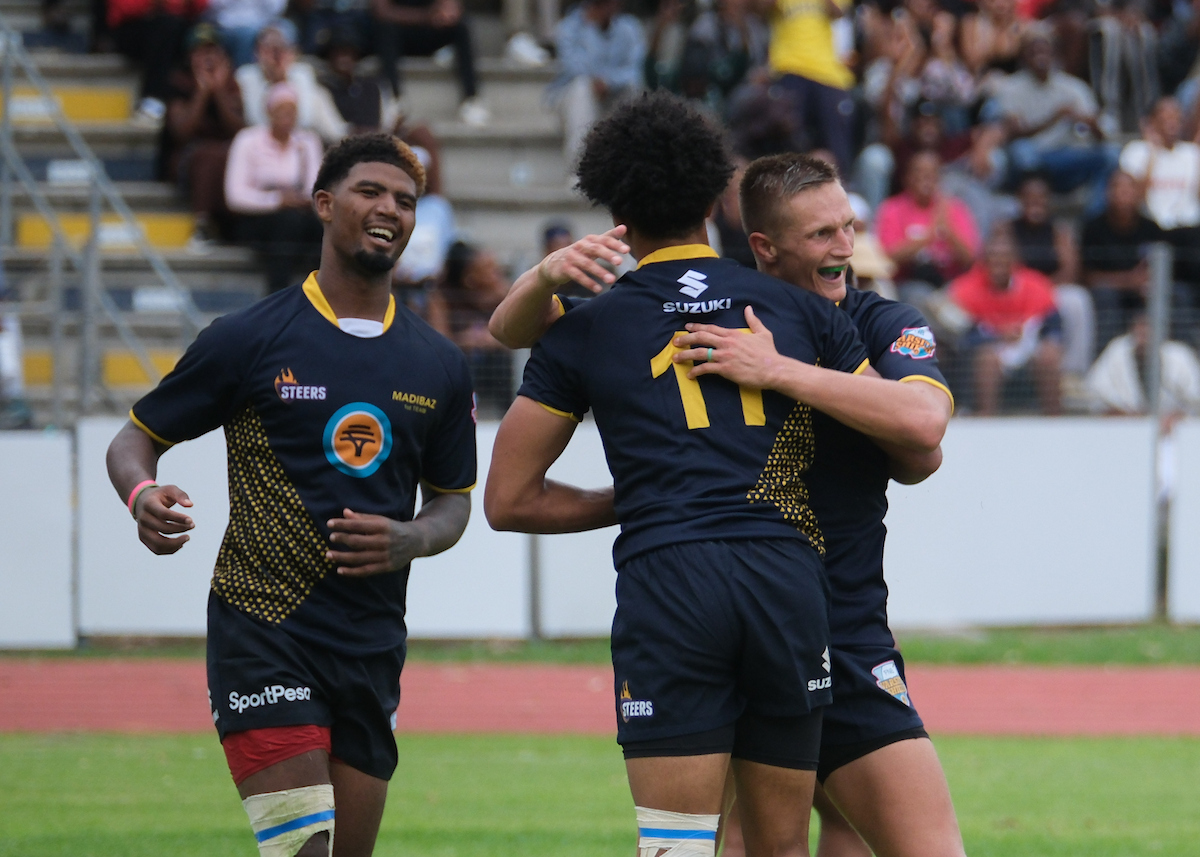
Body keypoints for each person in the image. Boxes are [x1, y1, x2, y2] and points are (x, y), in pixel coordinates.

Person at [484, 93, 951, 857]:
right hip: (788, 581)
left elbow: (507, 499)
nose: (841, 245)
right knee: (779, 844)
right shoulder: (804, 314)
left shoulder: (587, 324)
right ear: (717, 204)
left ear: (617, 215)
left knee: (681, 844)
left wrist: (638, 499)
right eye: (825, 230)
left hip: (670, 579)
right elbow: (918, 447)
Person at [105, 132, 476, 857]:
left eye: (405, 200)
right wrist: (141, 493)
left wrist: (411, 538)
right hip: (263, 628)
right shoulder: (248, 338)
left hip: (371, 644)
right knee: (305, 850)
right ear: (324, 203)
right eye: (371, 191)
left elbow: (453, 503)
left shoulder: (439, 362)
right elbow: (133, 439)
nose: (390, 209)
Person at [992, 26, 1118, 215]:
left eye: (1045, 51)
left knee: (1111, 154)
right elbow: (1013, 133)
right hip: (1035, 156)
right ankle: (1033, 211)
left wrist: (1091, 124)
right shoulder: (1011, 87)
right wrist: (1054, 118)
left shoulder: (1074, 87)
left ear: (1054, 55)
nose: (1040, 56)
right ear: (1024, 57)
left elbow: (1102, 135)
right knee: (1022, 152)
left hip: (1068, 156)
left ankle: (1094, 215)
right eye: (1033, 52)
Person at [949, 222, 1064, 414]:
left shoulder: (1035, 284)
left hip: (1028, 343)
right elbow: (963, 335)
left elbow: (1054, 323)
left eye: (1004, 260)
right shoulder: (966, 288)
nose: (998, 266)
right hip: (991, 348)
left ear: (1014, 261)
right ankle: (987, 420)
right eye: (993, 260)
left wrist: (1048, 342)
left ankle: (1055, 419)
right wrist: (999, 335)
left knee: (1049, 355)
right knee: (987, 361)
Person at [225, 83, 326, 294]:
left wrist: (299, 200)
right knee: (287, 223)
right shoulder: (248, 140)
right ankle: (277, 291)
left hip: (298, 212)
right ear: (269, 112)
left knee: (322, 229)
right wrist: (276, 201)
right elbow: (235, 196)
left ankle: (323, 293)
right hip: (257, 215)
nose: (288, 116)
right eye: (282, 111)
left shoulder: (307, 142)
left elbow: (315, 187)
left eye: (292, 111)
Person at [161, 23, 245, 249]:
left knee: (228, 155)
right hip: (186, 158)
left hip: (226, 155)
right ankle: (202, 224)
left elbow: (239, 130)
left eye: (214, 51)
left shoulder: (232, 85)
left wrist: (218, 92)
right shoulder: (178, 83)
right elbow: (182, 132)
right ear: (189, 56)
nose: (208, 58)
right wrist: (202, 92)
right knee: (209, 155)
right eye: (201, 52)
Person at [753, 0, 855, 173]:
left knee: (836, 149)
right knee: (786, 145)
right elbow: (760, 7)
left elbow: (838, 11)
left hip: (827, 73)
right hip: (788, 67)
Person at [875, 149, 980, 302]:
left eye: (931, 173)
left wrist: (949, 232)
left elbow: (969, 259)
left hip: (948, 283)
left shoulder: (955, 208)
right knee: (919, 295)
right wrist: (928, 236)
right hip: (907, 284)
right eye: (919, 172)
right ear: (907, 177)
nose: (925, 178)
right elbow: (888, 257)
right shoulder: (892, 208)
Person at [547, 0, 645, 163]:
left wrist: (608, 82)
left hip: (611, 96)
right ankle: (579, 169)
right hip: (570, 100)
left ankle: (634, 164)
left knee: (633, 89)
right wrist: (591, 28)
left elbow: (634, 71)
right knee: (582, 87)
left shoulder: (630, 28)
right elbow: (574, 67)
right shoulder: (569, 27)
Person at [1119, 97, 1200, 288]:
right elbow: (1136, 197)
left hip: (1190, 230)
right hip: (1152, 229)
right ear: (1151, 121)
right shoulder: (1136, 152)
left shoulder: (1192, 153)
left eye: (1176, 118)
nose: (1172, 123)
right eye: (1165, 117)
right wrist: (1153, 152)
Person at [426, 241, 512, 418]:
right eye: (489, 270)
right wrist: (469, 339)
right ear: (470, 279)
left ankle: (510, 413)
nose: (497, 275)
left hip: (493, 365)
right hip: (461, 361)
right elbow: (439, 340)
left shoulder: (500, 292)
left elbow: (520, 335)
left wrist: (493, 339)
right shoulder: (442, 296)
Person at [370, 0, 490, 126]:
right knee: (385, 29)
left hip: (429, 31)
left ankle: (471, 99)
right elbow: (382, 12)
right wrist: (425, 16)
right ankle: (394, 97)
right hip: (398, 36)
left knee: (462, 27)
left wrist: (447, 14)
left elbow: (452, 7)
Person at [236, 21, 350, 145]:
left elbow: (305, 120)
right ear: (256, 52)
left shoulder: (301, 72)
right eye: (268, 49)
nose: (276, 56)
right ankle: (343, 137)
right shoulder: (245, 75)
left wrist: (283, 78)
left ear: (292, 52)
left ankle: (343, 137)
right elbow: (254, 121)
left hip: (299, 140)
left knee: (320, 94)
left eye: (281, 48)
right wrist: (275, 82)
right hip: (262, 143)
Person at [1085, 312, 1200, 414]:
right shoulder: (1117, 351)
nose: (1143, 334)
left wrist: (1175, 416)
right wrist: (1126, 415)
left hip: (1169, 427)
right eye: (1140, 329)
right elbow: (1096, 391)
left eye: (1148, 329)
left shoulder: (1179, 355)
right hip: (1123, 425)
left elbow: (1194, 398)